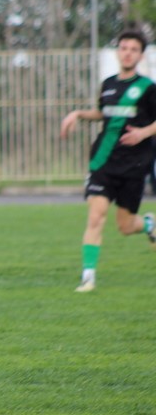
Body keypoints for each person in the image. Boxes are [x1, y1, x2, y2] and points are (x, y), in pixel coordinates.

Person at [60, 29, 156, 292]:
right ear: (117, 52)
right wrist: (78, 114)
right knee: (96, 217)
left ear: (141, 55)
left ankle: (149, 224)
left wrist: (143, 133)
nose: (128, 53)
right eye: (124, 48)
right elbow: (104, 114)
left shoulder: (148, 88)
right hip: (103, 161)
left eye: (133, 49)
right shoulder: (108, 84)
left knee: (125, 226)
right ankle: (88, 277)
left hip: (134, 165)